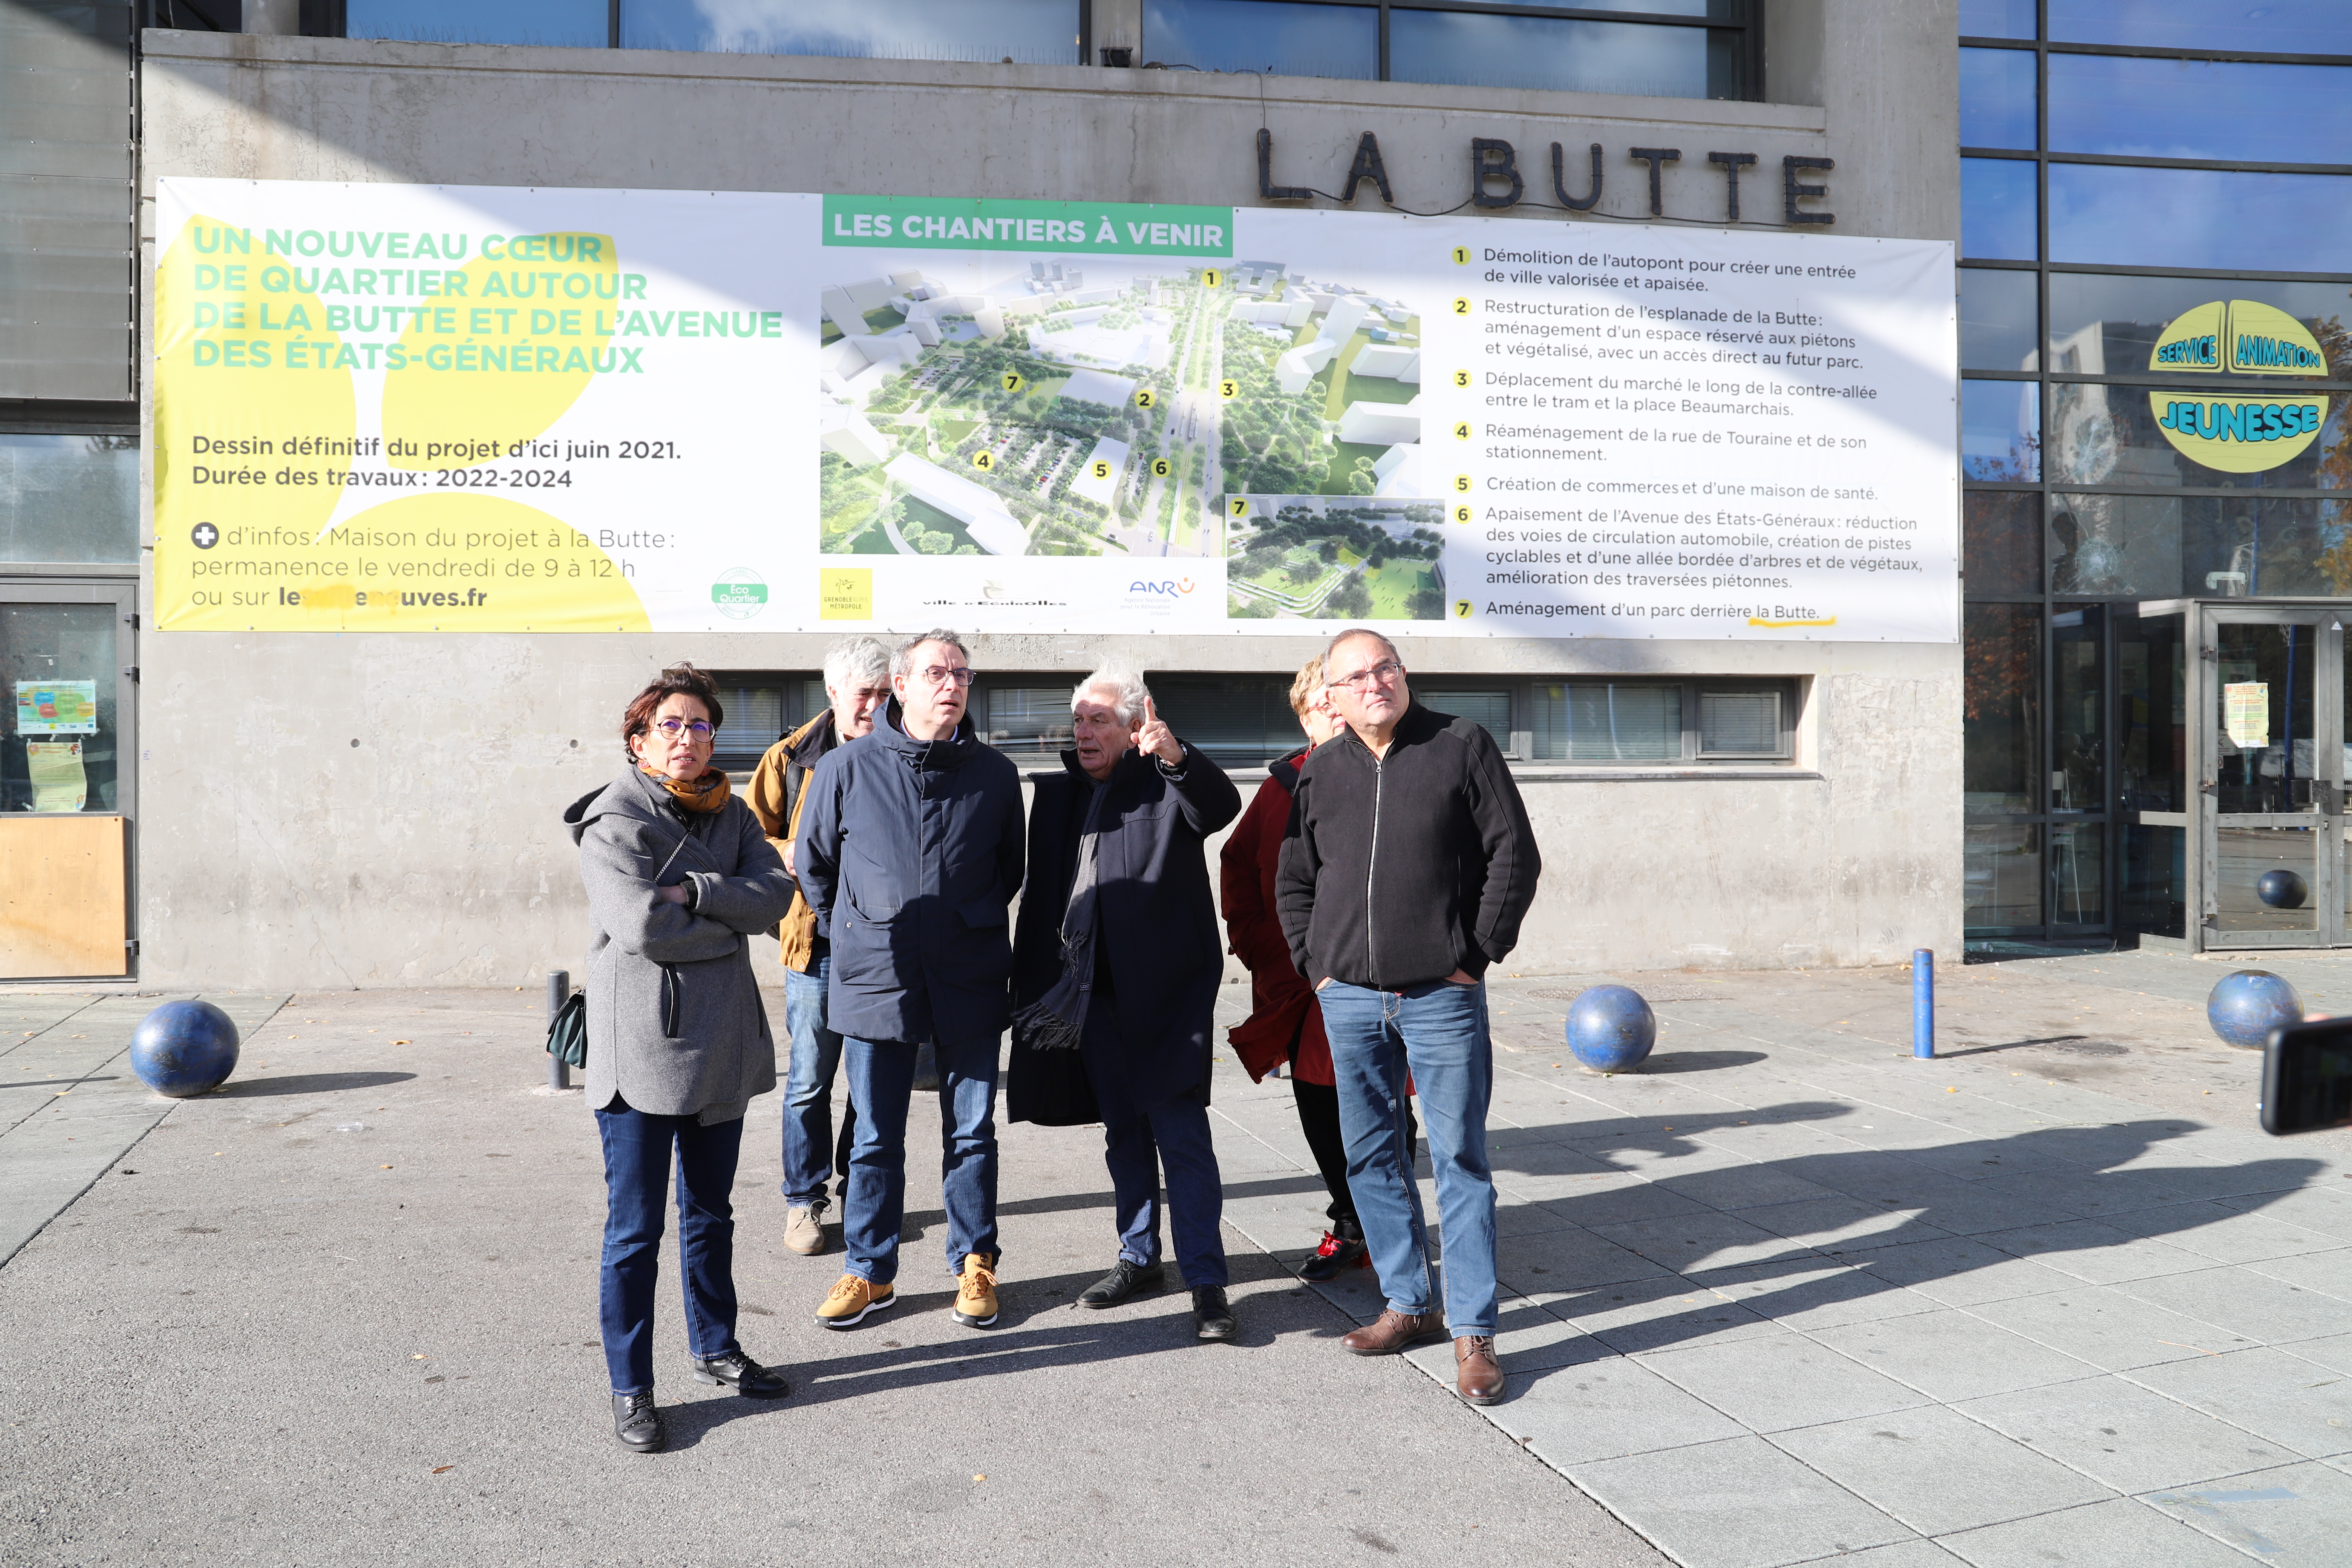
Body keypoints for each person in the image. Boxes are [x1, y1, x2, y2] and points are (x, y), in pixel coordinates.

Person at [1275, 629, 1542, 1407]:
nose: (1373, 684)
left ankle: (1474, 1333)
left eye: (1383, 667)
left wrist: (1476, 954)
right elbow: (1296, 878)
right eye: (1354, 676)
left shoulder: (1461, 744)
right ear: (1332, 694)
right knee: (1370, 1157)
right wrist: (1316, 966)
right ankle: (1407, 1304)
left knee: (1460, 1161)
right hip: (1351, 998)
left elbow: (1512, 855)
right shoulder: (1322, 770)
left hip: (1441, 994)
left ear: (1403, 672)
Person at [563, 662, 796, 1453]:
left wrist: (698, 894)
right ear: (638, 739)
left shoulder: (731, 812)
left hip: (721, 1048)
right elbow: (639, 928)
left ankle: (716, 1347)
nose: (690, 739)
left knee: (711, 1213)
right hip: (642, 1054)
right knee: (634, 1230)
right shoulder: (613, 818)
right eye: (672, 726)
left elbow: (775, 898)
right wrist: (729, 917)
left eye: (701, 726)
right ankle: (632, 1387)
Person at [794, 629, 1024, 1331]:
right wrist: (860, 930)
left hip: (970, 974)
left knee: (973, 1134)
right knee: (873, 1136)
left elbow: (1008, 870)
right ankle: (870, 1270)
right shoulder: (847, 768)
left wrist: (966, 921)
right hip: (875, 978)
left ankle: (975, 1263)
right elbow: (815, 867)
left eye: (960, 673)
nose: (951, 684)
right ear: (902, 685)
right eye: (935, 672)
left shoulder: (995, 774)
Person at [1009, 668, 1243, 1341]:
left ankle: (1206, 1283)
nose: (1084, 732)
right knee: (1124, 1137)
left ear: (1135, 725)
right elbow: (1040, 904)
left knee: (1183, 1142)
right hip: (1093, 1002)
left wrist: (1173, 754)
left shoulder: (1166, 784)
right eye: (1079, 720)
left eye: (1099, 721)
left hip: (1166, 999)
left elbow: (1219, 807)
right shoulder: (1057, 796)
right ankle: (1139, 1257)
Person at [1222, 654, 1403, 1282]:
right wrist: (1256, 945)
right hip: (1300, 982)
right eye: (1319, 705)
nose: (1332, 712)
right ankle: (1352, 1221)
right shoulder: (1282, 787)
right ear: (1305, 717)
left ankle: (1389, 1230)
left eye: (1338, 700)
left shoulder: (1393, 770)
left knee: (1383, 1105)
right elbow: (1240, 866)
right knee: (1317, 1102)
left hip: (1377, 975)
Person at [747, 635, 893, 1257]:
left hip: (883, 950)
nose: (877, 707)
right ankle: (802, 1202)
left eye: (888, 694)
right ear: (834, 693)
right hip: (815, 944)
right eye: (866, 695)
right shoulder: (789, 757)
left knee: (872, 1085)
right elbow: (750, 840)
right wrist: (796, 855)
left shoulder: (903, 753)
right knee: (809, 1079)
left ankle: (860, 1189)